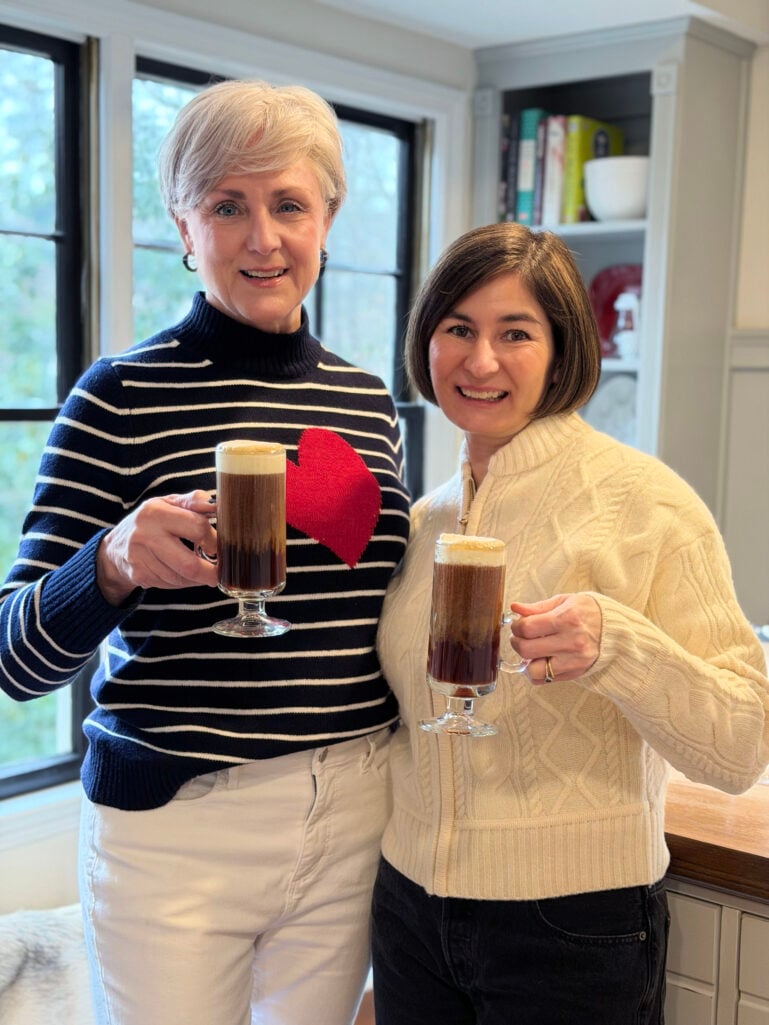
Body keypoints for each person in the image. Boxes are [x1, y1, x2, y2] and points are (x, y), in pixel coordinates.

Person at [0, 79, 410, 1025]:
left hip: (354, 807)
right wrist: (110, 561)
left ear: (327, 220)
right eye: (227, 206)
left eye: (289, 204)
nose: (263, 237)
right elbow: (13, 658)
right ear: (183, 227)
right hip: (177, 826)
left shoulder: (365, 401)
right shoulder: (119, 396)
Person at [371, 221, 769, 1025]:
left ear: (561, 353)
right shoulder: (421, 521)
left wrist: (618, 645)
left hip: (571, 925)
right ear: (425, 342)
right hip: (408, 911)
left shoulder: (647, 505)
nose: (481, 360)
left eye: (515, 333)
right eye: (458, 328)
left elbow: (741, 748)